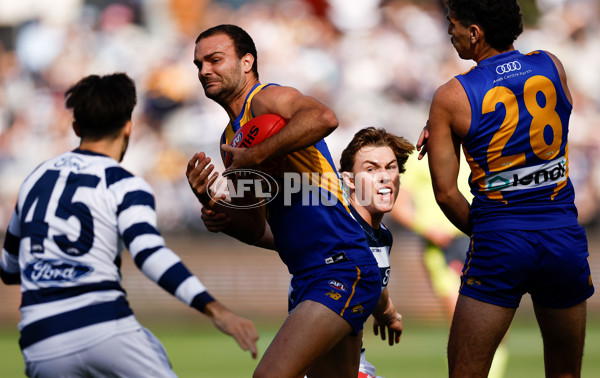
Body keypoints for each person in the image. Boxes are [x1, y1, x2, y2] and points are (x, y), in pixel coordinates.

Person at [0, 73, 258, 377]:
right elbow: (150, 255)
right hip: (104, 328)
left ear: (76, 128)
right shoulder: (125, 185)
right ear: (128, 128)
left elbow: (8, 269)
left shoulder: (35, 180)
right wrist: (218, 311)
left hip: (40, 341)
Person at [187, 24, 382, 378]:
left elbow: (324, 117)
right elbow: (255, 227)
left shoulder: (265, 99)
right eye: (198, 64)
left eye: (215, 60)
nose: (204, 71)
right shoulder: (230, 138)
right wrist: (214, 204)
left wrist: (257, 154)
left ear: (247, 62)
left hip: (341, 268)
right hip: (308, 276)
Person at [421, 0, 595, 376]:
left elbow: (446, 194)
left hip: (501, 241)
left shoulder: (451, 96)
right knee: (566, 372)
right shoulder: (551, 65)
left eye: (453, 25)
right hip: (562, 236)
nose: (449, 33)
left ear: (474, 32)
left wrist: (488, 230)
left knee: (467, 372)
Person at [389, 153, 509, 378]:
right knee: (465, 324)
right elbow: (397, 203)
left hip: (485, 241)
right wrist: (428, 228)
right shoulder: (421, 156)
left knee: (498, 326)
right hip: (446, 247)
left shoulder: (481, 147)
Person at [338, 127, 413, 378]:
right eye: (371, 169)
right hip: (322, 364)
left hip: (354, 362)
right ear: (350, 180)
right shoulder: (337, 229)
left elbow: (372, 282)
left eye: (390, 167)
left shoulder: (382, 235)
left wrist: (386, 313)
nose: (384, 177)